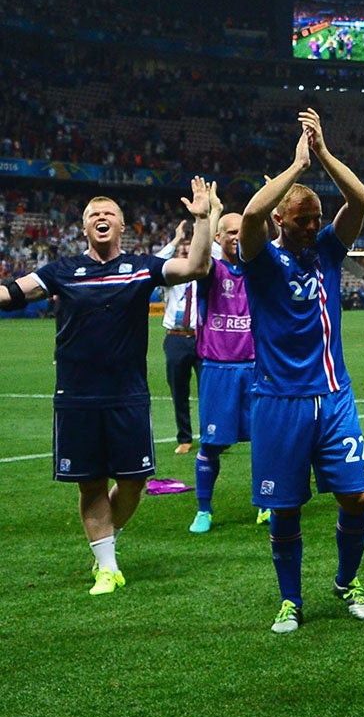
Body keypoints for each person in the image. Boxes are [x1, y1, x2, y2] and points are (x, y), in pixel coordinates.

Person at [0, 182, 215, 593]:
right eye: (93, 216)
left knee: (133, 481)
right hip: (76, 396)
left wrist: (204, 219)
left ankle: (104, 547)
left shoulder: (141, 267)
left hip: (127, 393)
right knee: (91, 482)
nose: (101, 219)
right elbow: (13, 292)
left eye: (108, 214)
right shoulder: (61, 271)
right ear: (84, 229)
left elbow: (196, 269)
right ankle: (107, 566)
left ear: (122, 227)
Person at [236, 111, 364, 634]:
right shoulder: (260, 259)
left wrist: (322, 155)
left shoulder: (329, 254)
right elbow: (249, 216)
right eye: (302, 220)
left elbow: (360, 200)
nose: (313, 227)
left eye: (317, 218)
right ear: (282, 221)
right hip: (279, 400)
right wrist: (294, 167)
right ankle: (290, 600)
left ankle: (346, 581)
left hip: (334, 396)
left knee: (356, 496)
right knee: (286, 507)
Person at [191, 199, 258, 534]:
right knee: (212, 444)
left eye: (241, 231)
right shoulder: (211, 271)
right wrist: (210, 217)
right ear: (218, 238)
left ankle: (266, 504)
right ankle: (204, 509)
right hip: (218, 368)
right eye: (230, 232)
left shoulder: (260, 268)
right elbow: (199, 260)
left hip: (258, 368)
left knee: (265, 440)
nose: (237, 236)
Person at [158, 224, 200, 455]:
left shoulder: (205, 274)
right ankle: (184, 438)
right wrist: (175, 241)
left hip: (203, 338)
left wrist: (200, 239)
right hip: (175, 338)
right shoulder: (170, 280)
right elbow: (155, 261)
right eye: (181, 253)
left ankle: (212, 435)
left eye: (189, 251)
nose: (185, 255)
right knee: (179, 390)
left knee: (209, 390)